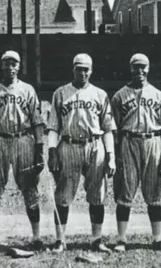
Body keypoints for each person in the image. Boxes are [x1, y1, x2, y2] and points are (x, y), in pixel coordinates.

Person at [47, 53, 116, 254]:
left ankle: (96, 239)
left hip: (94, 145)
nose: (83, 73)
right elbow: (53, 127)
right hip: (68, 145)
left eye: (86, 69)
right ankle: (60, 240)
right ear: (73, 70)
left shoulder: (100, 94)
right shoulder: (61, 93)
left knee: (97, 195)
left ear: (91, 71)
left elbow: (108, 128)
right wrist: (52, 151)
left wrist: (110, 155)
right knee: (63, 195)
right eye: (79, 69)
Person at [0, 51, 45, 251]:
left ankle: (36, 237)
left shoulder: (27, 89)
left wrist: (39, 147)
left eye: (14, 64)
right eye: (7, 63)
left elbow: (37, 122)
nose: (10, 67)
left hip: (23, 139)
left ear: (19, 66)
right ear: (2, 66)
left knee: (30, 189)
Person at [110, 53, 161, 252]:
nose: (140, 71)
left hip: (153, 141)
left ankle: (158, 239)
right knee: (125, 192)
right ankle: (121, 239)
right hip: (129, 141)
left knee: (154, 193)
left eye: (143, 67)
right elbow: (114, 129)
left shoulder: (158, 95)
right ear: (131, 68)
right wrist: (117, 154)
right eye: (136, 67)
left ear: (148, 68)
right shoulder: (120, 95)